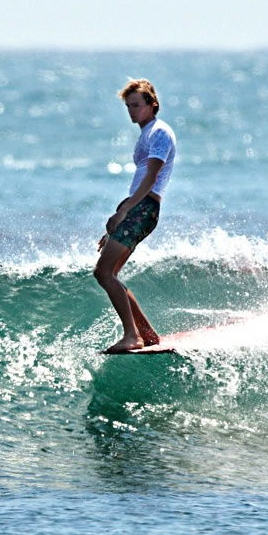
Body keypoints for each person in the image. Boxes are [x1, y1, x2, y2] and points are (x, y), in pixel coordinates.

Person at [94, 78, 177, 354]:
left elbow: (152, 176)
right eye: (128, 106)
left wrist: (126, 211)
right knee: (111, 272)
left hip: (143, 206)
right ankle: (146, 334)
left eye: (137, 105)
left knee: (104, 271)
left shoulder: (160, 132)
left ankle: (132, 336)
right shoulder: (148, 132)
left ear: (152, 105)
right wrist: (118, 217)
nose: (132, 111)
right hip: (137, 205)